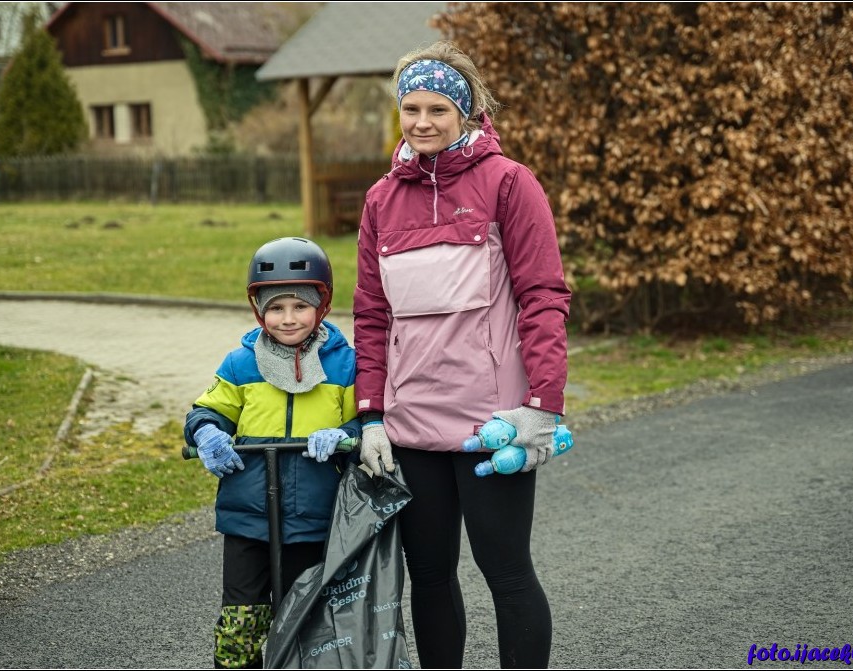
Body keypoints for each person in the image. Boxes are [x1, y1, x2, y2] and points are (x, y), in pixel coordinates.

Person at [352, 41, 572, 669]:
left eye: (438, 108)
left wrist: (542, 407)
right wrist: (371, 414)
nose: (422, 121)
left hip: (494, 425)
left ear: (468, 111)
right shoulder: (379, 200)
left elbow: (543, 298)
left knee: (506, 572)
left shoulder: (509, 183)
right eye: (410, 108)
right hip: (412, 422)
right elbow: (372, 315)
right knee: (429, 575)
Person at [184, 237, 360, 669]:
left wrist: (343, 436)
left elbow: (366, 422)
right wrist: (207, 432)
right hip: (248, 514)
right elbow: (208, 410)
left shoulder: (344, 364)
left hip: (314, 516)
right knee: (240, 619)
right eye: (275, 308)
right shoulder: (240, 364)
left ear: (322, 304)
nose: (287, 319)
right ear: (258, 309)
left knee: (307, 616)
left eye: (300, 306)